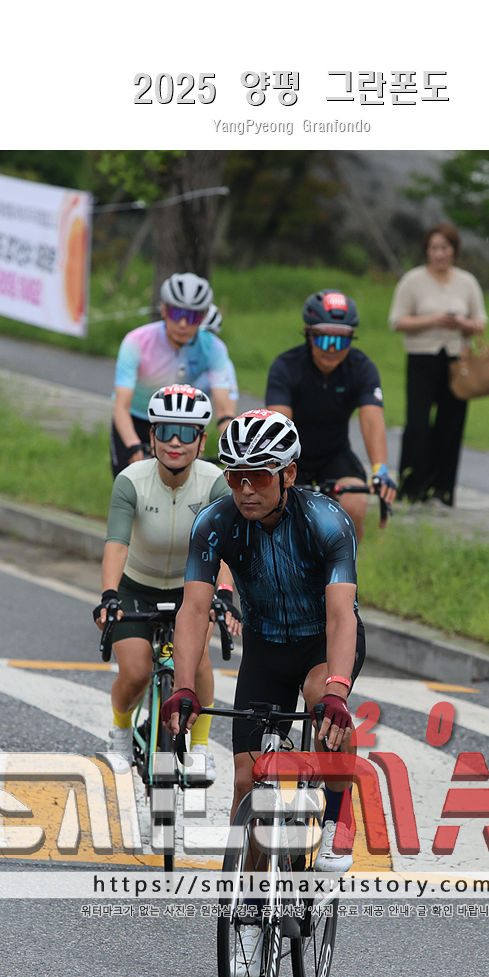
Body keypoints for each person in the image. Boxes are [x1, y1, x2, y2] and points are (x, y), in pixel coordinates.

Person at [164, 410, 364, 974]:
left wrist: (338, 691)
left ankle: (337, 821)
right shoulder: (215, 522)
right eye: (234, 476)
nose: (245, 489)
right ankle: (250, 914)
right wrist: (183, 687)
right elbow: (194, 610)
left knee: (324, 707)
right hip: (265, 649)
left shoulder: (327, 521)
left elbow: (341, 615)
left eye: (257, 475)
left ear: (289, 473)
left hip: (323, 643)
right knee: (247, 780)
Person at [93, 384, 238, 782]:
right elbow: (117, 545)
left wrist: (224, 595)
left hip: (191, 588)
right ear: (152, 436)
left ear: (202, 441)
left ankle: (201, 747)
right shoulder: (131, 480)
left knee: (198, 659)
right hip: (136, 587)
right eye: (167, 431)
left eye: (187, 433)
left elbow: (226, 549)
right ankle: (121, 730)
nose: (176, 442)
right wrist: (109, 596)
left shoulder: (215, 482)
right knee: (136, 672)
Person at [265, 289, 396, 542]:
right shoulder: (286, 366)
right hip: (292, 454)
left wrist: (380, 470)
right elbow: (278, 424)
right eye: (324, 340)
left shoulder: (361, 367)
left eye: (342, 340)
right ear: (308, 334)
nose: (333, 349)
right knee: (278, 510)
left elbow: (372, 419)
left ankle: (346, 565)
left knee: (355, 504)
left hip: (335, 454)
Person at [388, 222, 488, 506]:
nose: (439, 253)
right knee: (417, 424)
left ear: (454, 250)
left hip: (457, 361)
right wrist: (433, 320)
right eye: (433, 248)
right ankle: (411, 489)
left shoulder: (467, 282)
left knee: (451, 424)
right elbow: (397, 321)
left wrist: (462, 324)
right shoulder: (412, 280)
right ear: (426, 250)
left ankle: (442, 491)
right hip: (421, 357)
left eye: (444, 247)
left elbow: (480, 322)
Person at [110, 272, 238, 475]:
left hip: (182, 421)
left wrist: (235, 451)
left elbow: (224, 412)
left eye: (193, 316)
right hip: (136, 418)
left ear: (203, 316)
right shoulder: (136, 341)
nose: (183, 324)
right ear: (164, 310)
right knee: (128, 483)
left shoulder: (214, 348)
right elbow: (121, 406)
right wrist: (134, 446)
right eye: (177, 314)